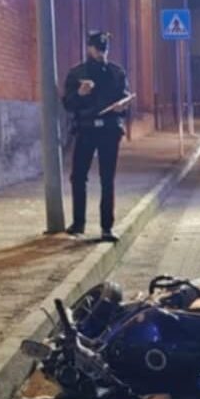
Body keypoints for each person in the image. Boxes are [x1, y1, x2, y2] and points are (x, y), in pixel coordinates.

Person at [62, 30, 133, 242]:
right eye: (98, 48)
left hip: (110, 131)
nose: (101, 53)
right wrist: (79, 94)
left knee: (107, 178)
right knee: (78, 177)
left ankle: (106, 227)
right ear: (89, 48)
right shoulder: (77, 73)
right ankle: (78, 223)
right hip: (86, 128)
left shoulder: (117, 73)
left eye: (104, 49)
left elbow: (125, 101)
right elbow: (67, 104)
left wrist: (122, 106)